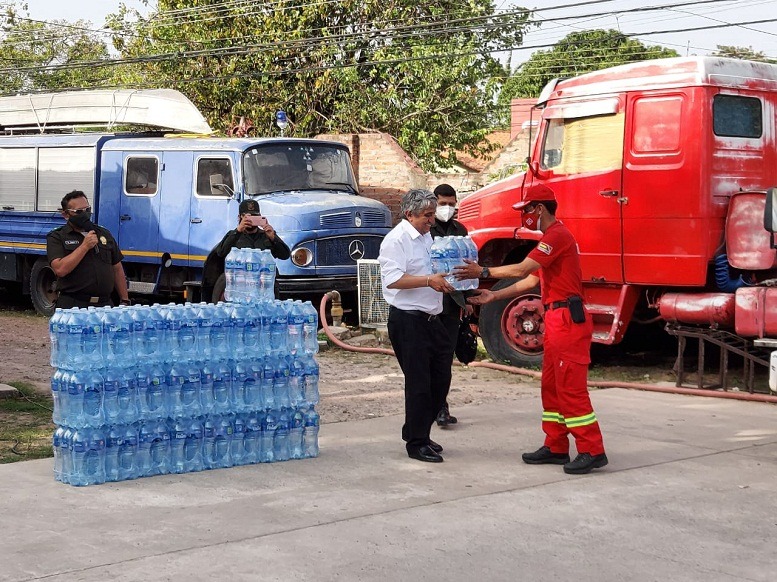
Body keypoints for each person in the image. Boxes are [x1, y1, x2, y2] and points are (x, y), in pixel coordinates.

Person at [453, 184, 608, 475]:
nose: (524, 216)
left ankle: (592, 449)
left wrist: (483, 272)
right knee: (551, 387)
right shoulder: (551, 239)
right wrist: (493, 296)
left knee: (570, 388)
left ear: (538, 209)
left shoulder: (557, 236)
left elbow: (522, 269)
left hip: (566, 320)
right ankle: (556, 446)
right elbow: (531, 281)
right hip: (556, 319)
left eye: (526, 210)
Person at [379, 189, 455, 463]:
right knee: (419, 383)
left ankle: (418, 429)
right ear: (409, 214)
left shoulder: (426, 237)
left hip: (433, 318)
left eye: (433, 215)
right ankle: (417, 442)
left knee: (441, 378)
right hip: (408, 319)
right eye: (426, 215)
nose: (431, 221)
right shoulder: (396, 240)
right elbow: (393, 279)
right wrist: (427, 281)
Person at [47, 190, 130, 309]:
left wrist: (125, 300)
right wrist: (84, 246)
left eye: (87, 210)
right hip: (74, 306)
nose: (85, 214)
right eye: (79, 212)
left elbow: (117, 268)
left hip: (104, 305)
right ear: (66, 215)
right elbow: (60, 269)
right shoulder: (57, 237)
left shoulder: (103, 233)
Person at [430, 183, 469, 427]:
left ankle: (441, 407)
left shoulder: (460, 229)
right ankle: (428, 406)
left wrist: (469, 299)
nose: (447, 208)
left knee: (445, 358)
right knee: (428, 357)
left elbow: (468, 264)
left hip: (453, 302)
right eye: (443, 204)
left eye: (451, 204)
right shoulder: (424, 228)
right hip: (429, 302)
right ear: (434, 203)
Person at [213, 199, 291, 261]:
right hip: (241, 277)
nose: (250, 220)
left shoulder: (266, 235)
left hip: (263, 277)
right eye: (247, 217)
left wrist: (273, 238)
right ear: (239, 217)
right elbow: (221, 253)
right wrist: (238, 230)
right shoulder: (233, 235)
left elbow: (285, 255)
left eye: (254, 216)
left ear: (259, 216)